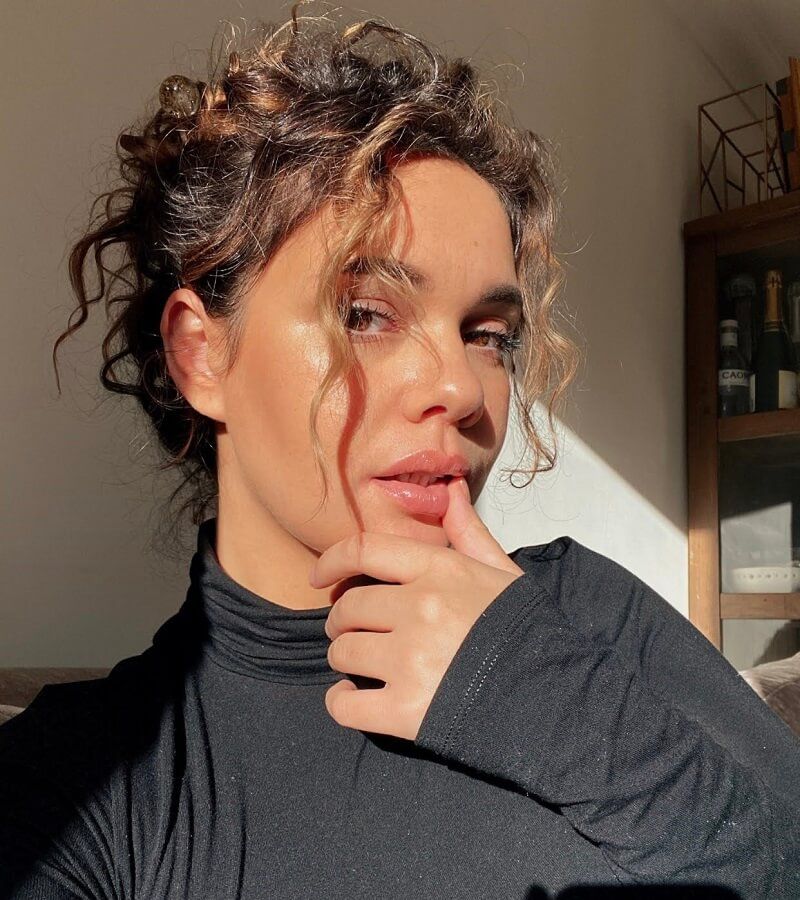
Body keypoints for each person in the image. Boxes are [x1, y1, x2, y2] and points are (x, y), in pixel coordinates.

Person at [1, 5, 799, 898]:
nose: (461, 388)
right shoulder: (89, 781)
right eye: (366, 314)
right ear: (202, 356)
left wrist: (543, 694)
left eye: (488, 334)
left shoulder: (586, 617)